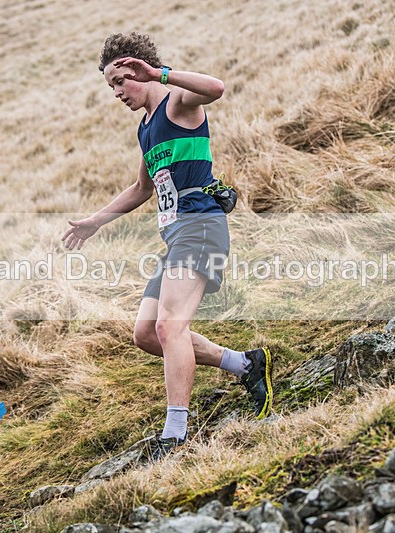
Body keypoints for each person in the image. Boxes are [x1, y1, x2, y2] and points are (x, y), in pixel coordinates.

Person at [61, 32, 273, 459]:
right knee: (146, 333)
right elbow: (141, 188)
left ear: (140, 68)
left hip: (201, 228)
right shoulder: (146, 129)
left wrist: (160, 73)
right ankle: (247, 364)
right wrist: (94, 222)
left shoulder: (178, 102)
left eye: (122, 81)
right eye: (111, 87)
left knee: (169, 326)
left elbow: (216, 88)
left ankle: (176, 434)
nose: (118, 93)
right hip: (177, 237)